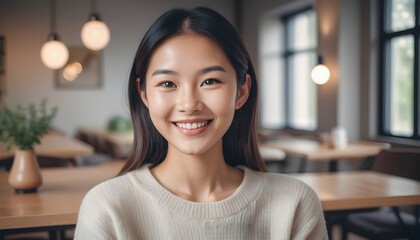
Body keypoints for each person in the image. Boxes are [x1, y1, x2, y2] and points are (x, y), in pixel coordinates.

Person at [74, 6, 328, 239]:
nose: (189, 103)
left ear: (241, 92)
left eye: (210, 81)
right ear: (144, 94)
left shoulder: (295, 203)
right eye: (167, 84)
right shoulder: (107, 207)